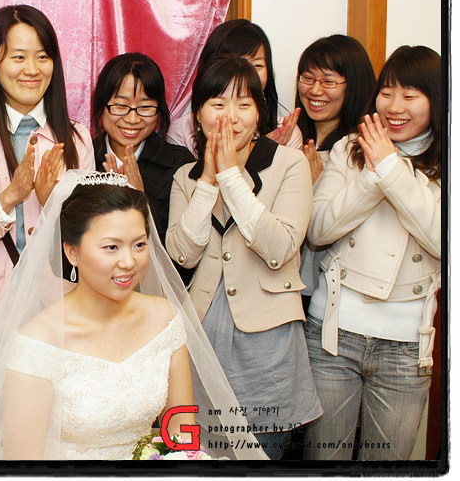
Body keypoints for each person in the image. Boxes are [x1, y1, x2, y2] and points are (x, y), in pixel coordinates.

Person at [0, 171, 267, 460]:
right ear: (72, 251)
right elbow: (25, 464)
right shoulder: (38, 341)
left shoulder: (164, 318)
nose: (128, 262)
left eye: (139, 245)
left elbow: (181, 430)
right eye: (111, 247)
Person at [165, 55, 321, 460]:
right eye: (217, 104)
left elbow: (280, 248)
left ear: (258, 114)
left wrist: (231, 178)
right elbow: (181, 255)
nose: (230, 117)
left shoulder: (289, 164)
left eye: (243, 104)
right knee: (197, 452)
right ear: (197, 114)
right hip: (201, 333)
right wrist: (207, 182)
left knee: (261, 455)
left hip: (267, 339)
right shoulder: (185, 176)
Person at [302, 46, 441, 460]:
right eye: (387, 92)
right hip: (332, 334)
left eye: (410, 95)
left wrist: (392, 169)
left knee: (388, 467)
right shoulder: (350, 148)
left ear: (436, 101)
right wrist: (372, 174)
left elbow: (442, 240)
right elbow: (318, 230)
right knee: (324, 461)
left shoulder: (447, 161)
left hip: (406, 345)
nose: (394, 106)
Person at [0, 4, 94, 349]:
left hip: (58, 304)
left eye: (43, 57)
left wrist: (52, 202)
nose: (32, 70)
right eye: (18, 57)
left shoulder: (77, 139)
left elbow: (89, 239)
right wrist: (9, 199)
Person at [294, 35, 376, 304]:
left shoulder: (362, 152)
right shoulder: (291, 140)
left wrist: (316, 184)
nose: (315, 90)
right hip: (286, 288)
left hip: (333, 293)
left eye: (328, 81)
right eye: (307, 78)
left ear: (354, 86)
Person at [90, 52, 195, 251]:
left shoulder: (180, 164)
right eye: (120, 106)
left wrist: (140, 200)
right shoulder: (82, 158)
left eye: (145, 107)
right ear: (101, 106)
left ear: (159, 110)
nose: (132, 119)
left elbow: (183, 251)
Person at [168, 19, 302, 152]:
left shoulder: (285, 132)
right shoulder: (182, 131)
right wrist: (261, 153)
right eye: (233, 63)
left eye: (257, 65)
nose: (245, 74)